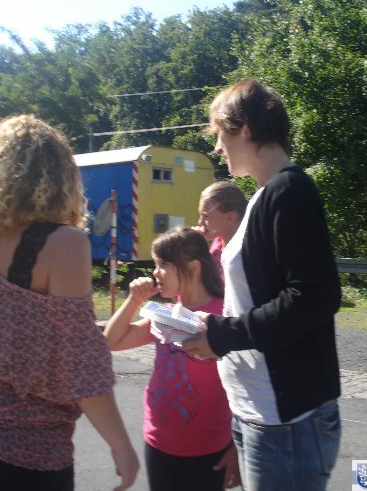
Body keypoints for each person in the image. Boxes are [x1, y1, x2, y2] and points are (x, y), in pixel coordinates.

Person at [182, 79, 342, 491]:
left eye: (220, 135)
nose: (217, 148)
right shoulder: (264, 196)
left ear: (246, 129)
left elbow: (314, 296)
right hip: (262, 414)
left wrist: (223, 334)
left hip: (287, 422)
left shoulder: (288, 191)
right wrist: (213, 330)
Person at [0, 115, 139, 491]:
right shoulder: (63, 244)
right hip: (28, 457)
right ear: (61, 178)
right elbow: (80, 363)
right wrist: (121, 445)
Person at [104, 227, 241, 491]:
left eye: (164, 264)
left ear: (193, 267)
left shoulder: (223, 315)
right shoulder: (166, 313)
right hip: (159, 443)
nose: (156, 272)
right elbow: (113, 341)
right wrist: (134, 300)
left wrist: (237, 445)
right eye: (156, 264)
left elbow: (244, 385)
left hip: (211, 449)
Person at [195, 181, 247, 277]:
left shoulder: (245, 254)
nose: (200, 222)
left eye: (206, 216)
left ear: (231, 218)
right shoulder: (217, 246)